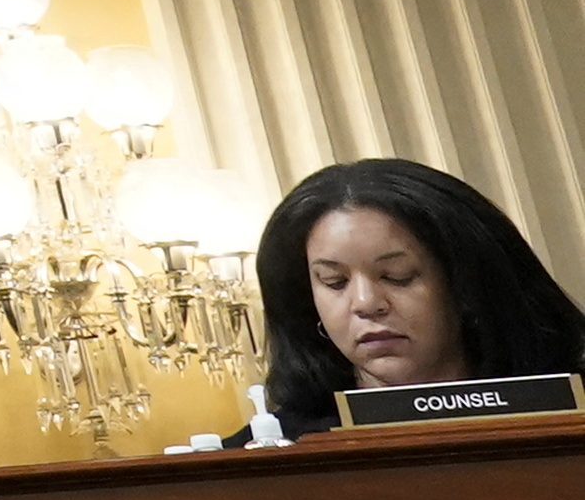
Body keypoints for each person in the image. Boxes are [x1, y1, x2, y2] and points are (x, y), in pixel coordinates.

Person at [248, 157, 585, 439]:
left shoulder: (568, 407)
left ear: (465, 285)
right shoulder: (272, 446)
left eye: (398, 276)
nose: (366, 303)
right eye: (335, 282)